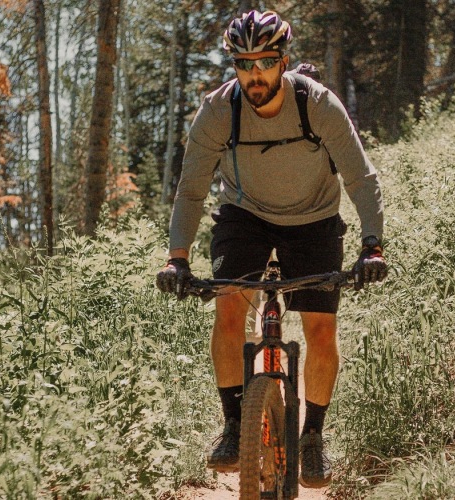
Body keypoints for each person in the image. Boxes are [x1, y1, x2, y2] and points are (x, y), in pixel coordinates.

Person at [156, 10, 387, 488]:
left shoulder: (318, 104)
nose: (253, 74)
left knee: (321, 330)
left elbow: (361, 178)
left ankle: (313, 437)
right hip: (246, 217)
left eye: (263, 62)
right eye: (243, 63)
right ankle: (235, 424)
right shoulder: (219, 110)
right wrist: (177, 258)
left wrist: (372, 245)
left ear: (283, 61)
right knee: (227, 310)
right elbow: (191, 189)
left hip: (314, 220)